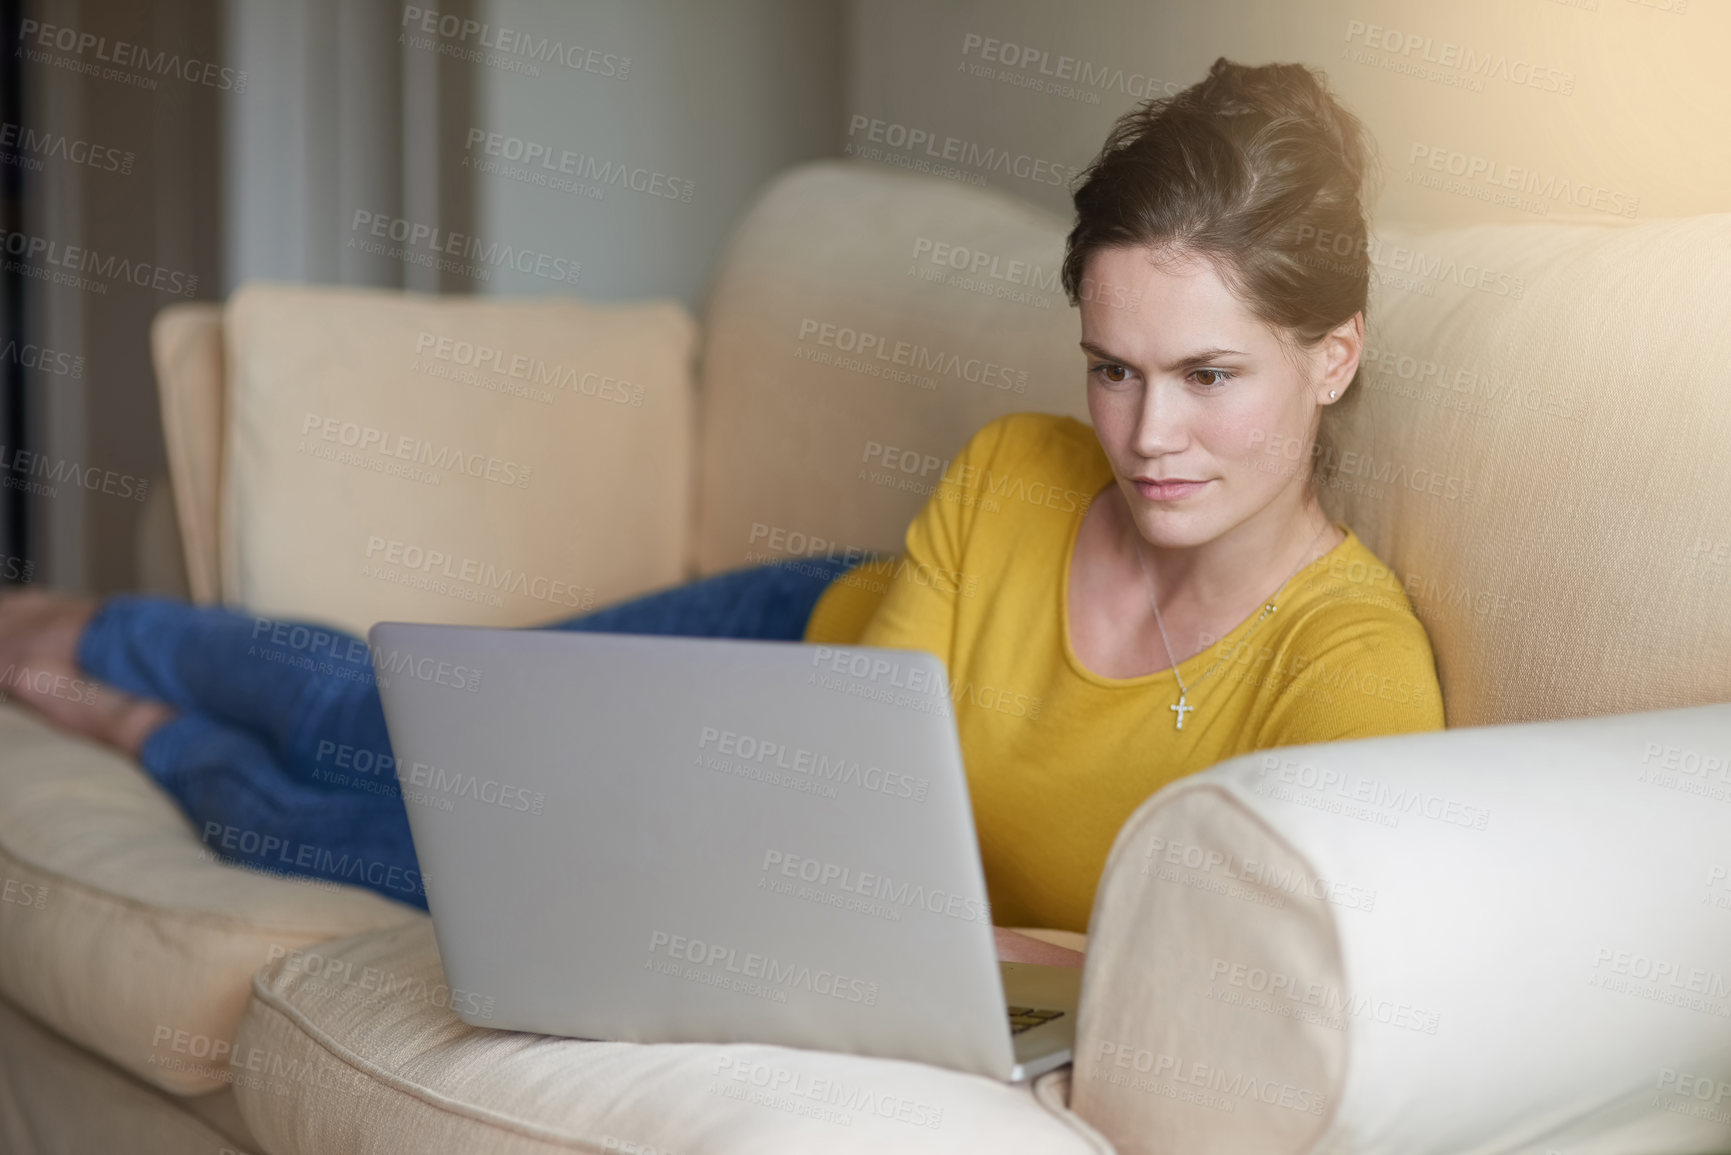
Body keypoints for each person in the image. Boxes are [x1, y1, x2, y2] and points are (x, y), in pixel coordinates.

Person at [0, 57, 1442, 962]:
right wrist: (986, 939)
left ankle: (136, 722)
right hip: (783, 643)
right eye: (1113, 372)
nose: (1147, 437)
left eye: (1208, 375)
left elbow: (1270, 983)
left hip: (785, 865)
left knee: (390, 842)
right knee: (383, 718)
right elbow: (824, 778)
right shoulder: (1016, 467)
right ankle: (81, 626)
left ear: (1336, 355)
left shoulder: (1348, 674)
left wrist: (1002, 953)